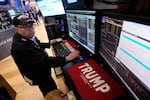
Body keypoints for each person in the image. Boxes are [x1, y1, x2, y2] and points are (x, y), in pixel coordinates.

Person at [11, 14, 80, 96]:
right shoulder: (20, 47)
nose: (31, 29)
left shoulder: (27, 36)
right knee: (48, 90)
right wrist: (68, 57)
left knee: (50, 84)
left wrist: (48, 44)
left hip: (40, 68)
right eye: (26, 27)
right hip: (37, 74)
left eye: (31, 25)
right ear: (17, 29)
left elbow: (36, 44)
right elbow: (45, 62)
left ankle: (55, 93)